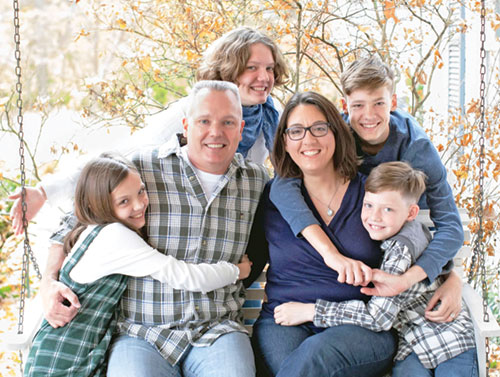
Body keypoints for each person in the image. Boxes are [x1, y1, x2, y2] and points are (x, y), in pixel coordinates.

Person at [39, 81, 270, 377]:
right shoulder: (141, 168)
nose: (216, 132)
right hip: (141, 331)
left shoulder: (255, 181)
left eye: (228, 122)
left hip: (219, 329)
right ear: (186, 125)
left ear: (241, 129)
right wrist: (49, 282)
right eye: (204, 121)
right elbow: (73, 220)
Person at [8, 27, 288, 235]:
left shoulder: (268, 119)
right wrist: (45, 192)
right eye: (252, 68)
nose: (264, 78)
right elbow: (118, 158)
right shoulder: (191, 113)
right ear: (229, 70)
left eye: (269, 68)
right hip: (166, 230)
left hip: (223, 234)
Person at [269, 55, 464, 323]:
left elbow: (451, 227)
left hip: (403, 254)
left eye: (379, 103)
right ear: (344, 106)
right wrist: (331, 256)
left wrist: (448, 277)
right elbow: (282, 184)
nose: (369, 115)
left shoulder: (417, 151)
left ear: (393, 103)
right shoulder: (333, 133)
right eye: (358, 105)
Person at [24, 152, 252, 377]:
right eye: (124, 201)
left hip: (73, 346)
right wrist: (235, 271)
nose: (139, 205)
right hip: (66, 354)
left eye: (141, 191)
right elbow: (185, 275)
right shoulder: (115, 237)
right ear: (100, 204)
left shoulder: (93, 229)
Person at [273, 161, 477, 377]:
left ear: (411, 213)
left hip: (449, 340)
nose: (374, 217)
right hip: (411, 345)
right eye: (368, 205)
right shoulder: (409, 233)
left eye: (387, 209)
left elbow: (377, 317)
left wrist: (311, 311)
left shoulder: (400, 250)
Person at [246, 91, 397, 377]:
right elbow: (251, 261)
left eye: (319, 128)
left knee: (315, 358)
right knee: (299, 364)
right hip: (285, 318)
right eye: (296, 131)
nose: (309, 139)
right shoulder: (274, 198)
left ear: (336, 133)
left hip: (359, 324)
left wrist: (449, 277)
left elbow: (411, 245)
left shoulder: (372, 192)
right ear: (284, 142)